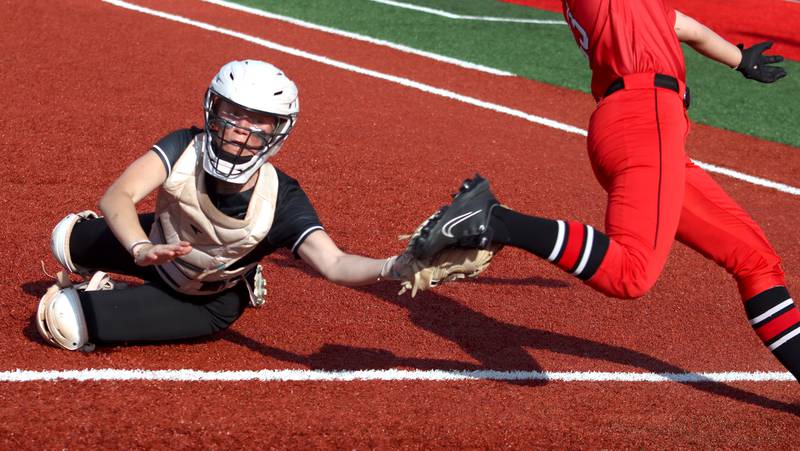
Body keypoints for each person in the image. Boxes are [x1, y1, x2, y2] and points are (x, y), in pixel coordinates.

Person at [408, 1, 798, 381]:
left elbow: (687, 29)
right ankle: (496, 219)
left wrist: (740, 59)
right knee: (631, 274)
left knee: (755, 259)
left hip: (643, 125)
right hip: (645, 120)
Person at [37, 59, 412, 351]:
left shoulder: (281, 198)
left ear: (278, 129)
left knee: (64, 319)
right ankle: (232, 271)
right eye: (233, 112)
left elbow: (334, 264)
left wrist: (394, 267)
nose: (241, 128)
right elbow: (117, 196)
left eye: (259, 119)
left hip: (203, 299)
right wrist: (141, 247)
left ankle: (237, 280)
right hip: (159, 244)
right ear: (214, 108)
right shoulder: (185, 144)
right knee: (64, 237)